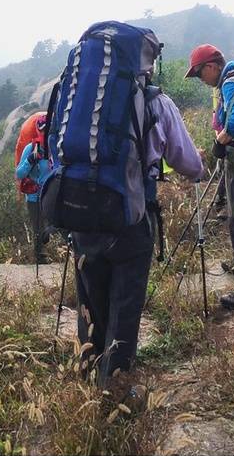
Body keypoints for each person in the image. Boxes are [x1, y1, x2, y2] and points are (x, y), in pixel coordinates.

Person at [69, 88, 204, 390]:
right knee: (125, 303)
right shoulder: (156, 101)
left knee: (90, 298)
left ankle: (89, 370)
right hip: (132, 215)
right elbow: (189, 163)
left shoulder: (79, 96)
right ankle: (114, 387)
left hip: (81, 215)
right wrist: (200, 168)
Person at [185, 43, 234, 309]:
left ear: (211, 66)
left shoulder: (230, 82)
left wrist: (222, 138)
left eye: (199, 74)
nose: (201, 80)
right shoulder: (230, 80)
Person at [15, 115, 54, 263]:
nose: (46, 133)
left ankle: (61, 251)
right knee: (38, 227)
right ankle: (41, 256)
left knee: (55, 224)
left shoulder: (56, 148)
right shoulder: (30, 149)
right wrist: (30, 160)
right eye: (43, 130)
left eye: (49, 129)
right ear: (38, 130)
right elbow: (19, 173)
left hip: (52, 193)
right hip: (35, 196)